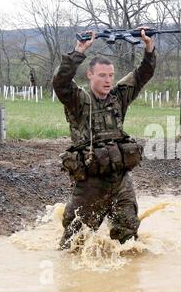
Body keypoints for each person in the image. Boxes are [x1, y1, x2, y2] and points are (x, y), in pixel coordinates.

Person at [52, 28, 156, 249]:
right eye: (102, 75)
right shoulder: (78, 100)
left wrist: (148, 47)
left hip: (119, 181)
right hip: (90, 183)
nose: (108, 80)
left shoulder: (119, 97)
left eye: (110, 75)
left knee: (128, 238)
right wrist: (78, 51)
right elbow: (60, 83)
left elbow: (142, 74)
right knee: (74, 244)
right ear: (89, 75)